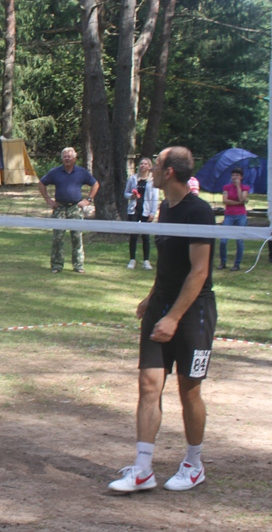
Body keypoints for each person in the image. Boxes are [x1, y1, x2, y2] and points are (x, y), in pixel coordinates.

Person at [108, 146, 216, 494]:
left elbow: (199, 273)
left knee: (189, 391)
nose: (150, 169)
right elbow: (169, 265)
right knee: (148, 385)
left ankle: (194, 464)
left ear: (169, 171)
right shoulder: (165, 209)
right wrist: (152, 298)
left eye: (156, 165)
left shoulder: (199, 212)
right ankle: (142, 470)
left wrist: (172, 317)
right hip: (163, 305)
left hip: (193, 311)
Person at [38, 147, 99, 274]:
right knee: (57, 237)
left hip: (75, 208)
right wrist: (48, 200)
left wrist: (88, 199)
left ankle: (78, 265)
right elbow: (41, 184)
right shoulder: (55, 172)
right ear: (62, 158)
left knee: (77, 236)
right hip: (59, 207)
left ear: (75, 158)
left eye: (69, 156)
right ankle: (56, 265)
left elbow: (95, 184)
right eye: (65, 156)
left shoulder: (81, 172)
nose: (67, 158)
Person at [125, 157, 159, 270]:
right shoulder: (133, 179)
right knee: (133, 235)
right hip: (134, 210)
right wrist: (132, 196)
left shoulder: (153, 181)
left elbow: (155, 198)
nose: (143, 165)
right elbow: (126, 193)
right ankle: (132, 259)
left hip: (146, 210)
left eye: (145, 164)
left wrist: (153, 212)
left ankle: (146, 260)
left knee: (145, 236)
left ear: (149, 167)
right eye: (141, 164)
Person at [219, 167, 249, 271]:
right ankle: (223, 262)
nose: (234, 177)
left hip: (241, 215)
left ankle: (237, 264)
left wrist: (238, 187)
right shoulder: (226, 187)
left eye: (237, 175)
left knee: (239, 240)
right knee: (223, 240)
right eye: (233, 175)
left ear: (241, 177)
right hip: (229, 215)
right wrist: (239, 203)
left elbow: (243, 198)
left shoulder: (245, 187)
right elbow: (225, 200)